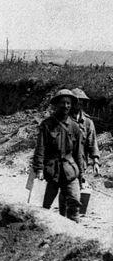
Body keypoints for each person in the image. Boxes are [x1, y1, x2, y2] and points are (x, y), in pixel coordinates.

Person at [33, 89, 85, 223]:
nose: (66, 106)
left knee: (74, 202)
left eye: (68, 103)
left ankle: (74, 228)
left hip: (69, 171)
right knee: (45, 206)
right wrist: (39, 169)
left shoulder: (75, 127)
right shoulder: (47, 125)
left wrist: (81, 174)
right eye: (62, 103)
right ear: (56, 104)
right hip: (52, 171)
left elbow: (78, 153)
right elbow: (40, 148)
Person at [71, 88, 100, 179]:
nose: (79, 103)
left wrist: (95, 162)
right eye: (76, 101)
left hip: (80, 164)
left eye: (81, 101)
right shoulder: (62, 120)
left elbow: (92, 142)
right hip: (63, 164)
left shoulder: (87, 122)